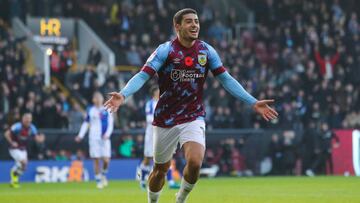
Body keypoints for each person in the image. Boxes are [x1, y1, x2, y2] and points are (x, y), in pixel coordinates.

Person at [104, 8, 278, 203]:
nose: (194, 25)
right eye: (189, 21)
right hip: (165, 119)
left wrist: (253, 101)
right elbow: (143, 75)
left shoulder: (206, 51)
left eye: (196, 21)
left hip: (193, 116)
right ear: (177, 26)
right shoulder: (166, 50)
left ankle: (181, 199)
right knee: (160, 170)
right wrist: (123, 94)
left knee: (195, 162)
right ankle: (153, 200)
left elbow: (226, 79)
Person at [138, 86, 180, 190]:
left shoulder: (165, 103)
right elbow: (148, 119)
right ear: (154, 93)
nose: (160, 93)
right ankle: (142, 181)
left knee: (168, 156)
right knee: (147, 158)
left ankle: (170, 182)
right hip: (151, 133)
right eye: (158, 91)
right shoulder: (149, 104)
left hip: (163, 132)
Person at [75, 92, 114, 189]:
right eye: (96, 98)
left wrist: (107, 134)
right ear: (93, 100)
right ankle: (98, 181)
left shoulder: (107, 109)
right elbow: (85, 123)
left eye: (99, 97)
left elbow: (110, 124)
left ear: (102, 99)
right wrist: (80, 135)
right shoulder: (90, 110)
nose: (98, 99)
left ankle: (103, 175)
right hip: (93, 138)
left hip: (104, 138)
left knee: (106, 160)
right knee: (96, 159)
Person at [4, 112, 39, 188]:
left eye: (29, 118)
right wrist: (12, 142)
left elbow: (36, 137)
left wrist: (40, 139)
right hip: (14, 149)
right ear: (23, 119)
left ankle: (14, 181)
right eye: (26, 118)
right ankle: (14, 176)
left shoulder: (32, 127)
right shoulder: (17, 126)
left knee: (24, 167)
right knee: (24, 162)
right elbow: (6, 133)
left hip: (23, 149)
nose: (28, 120)